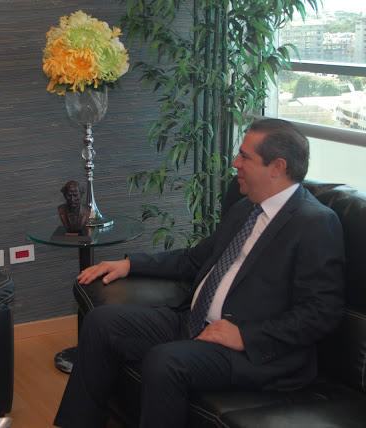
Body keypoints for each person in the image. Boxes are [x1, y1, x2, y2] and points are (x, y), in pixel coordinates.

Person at [54, 118, 346, 427]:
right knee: (101, 322)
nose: (235, 163)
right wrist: (130, 264)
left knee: (165, 362)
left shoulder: (315, 223)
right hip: (194, 322)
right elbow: (194, 259)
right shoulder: (246, 208)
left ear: (277, 167)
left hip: (254, 353)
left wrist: (246, 336)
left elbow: (321, 312)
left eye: (245, 156)